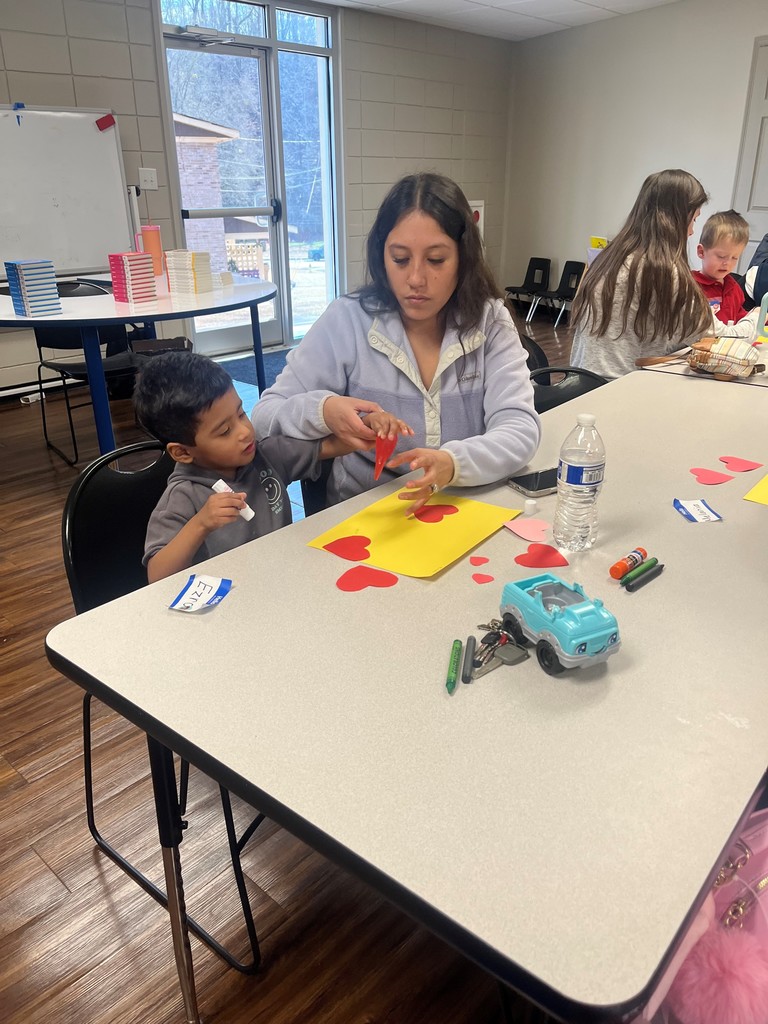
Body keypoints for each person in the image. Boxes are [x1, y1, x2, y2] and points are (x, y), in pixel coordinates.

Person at [251, 172, 540, 508]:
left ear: (464, 258)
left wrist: (453, 463)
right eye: (400, 259)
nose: (416, 279)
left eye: (436, 260)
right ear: (381, 255)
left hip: (464, 509)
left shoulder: (490, 321)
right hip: (366, 514)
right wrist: (323, 411)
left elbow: (520, 429)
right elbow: (264, 417)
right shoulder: (348, 320)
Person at [134, 351, 371, 583]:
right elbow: (157, 576)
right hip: (228, 600)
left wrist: (369, 428)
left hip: (282, 581)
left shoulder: (265, 456)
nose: (245, 432)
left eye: (241, 414)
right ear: (183, 452)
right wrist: (200, 524)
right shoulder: (182, 497)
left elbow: (328, 446)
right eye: (225, 431)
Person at [570, 169, 763, 379]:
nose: (691, 231)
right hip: (619, 385)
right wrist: (757, 316)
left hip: (582, 381)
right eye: (694, 220)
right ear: (678, 218)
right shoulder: (662, 271)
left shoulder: (610, 256)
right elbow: (719, 340)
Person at [692, 209, 750, 323]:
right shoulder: (690, 285)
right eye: (721, 256)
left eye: (734, 258)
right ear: (701, 252)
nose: (727, 263)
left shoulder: (734, 288)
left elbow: (740, 318)